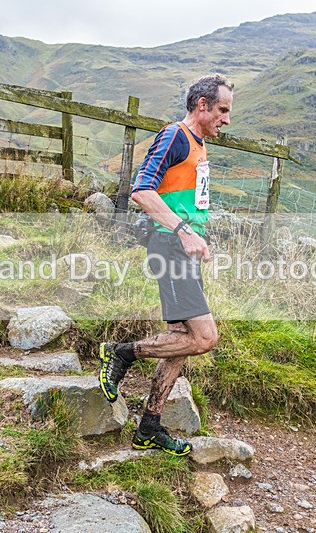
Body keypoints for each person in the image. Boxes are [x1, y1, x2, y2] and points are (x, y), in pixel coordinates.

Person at [98, 74, 233, 456]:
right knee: (205, 337)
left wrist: (196, 233)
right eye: (223, 110)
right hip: (171, 246)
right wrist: (185, 230)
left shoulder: (199, 145)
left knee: (180, 340)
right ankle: (121, 353)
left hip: (184, 249)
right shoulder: (175, 135)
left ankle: (149, 427)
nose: (227, 119)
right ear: (202, 105)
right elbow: (142, 189)